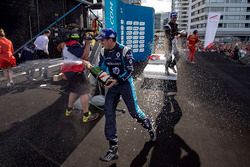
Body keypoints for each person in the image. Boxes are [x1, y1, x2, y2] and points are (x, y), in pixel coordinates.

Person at [90, 28, 156, 162]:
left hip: (125, 84)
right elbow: (102, 68)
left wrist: (116, 80)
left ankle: (149, 126)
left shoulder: (125, 50)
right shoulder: (103, 51)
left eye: (102, 40)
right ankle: (113, 147)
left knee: (134, 113)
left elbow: (130, 71)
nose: (101, 43)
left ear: (110, 40)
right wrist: (100, 77)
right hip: (113, 86)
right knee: (108, 113)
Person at [55, 32, 99, 123]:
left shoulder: (66, 45)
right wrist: (87, 43)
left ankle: (69, 110)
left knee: (74, 91)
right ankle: (86, 115)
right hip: (76, 73)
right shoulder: (73, 44)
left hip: (69, 72)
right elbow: (84, 56)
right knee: (85, 92)